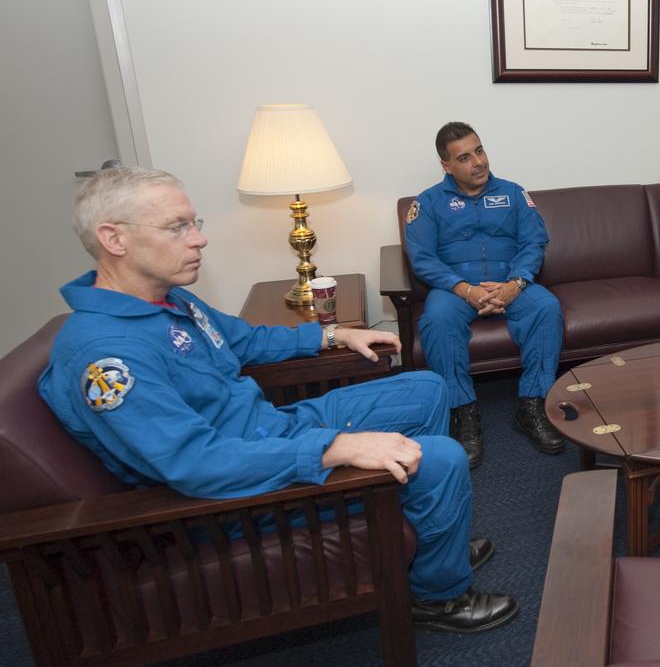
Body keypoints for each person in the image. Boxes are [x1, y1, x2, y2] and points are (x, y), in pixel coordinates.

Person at [38, 167, 518, 633]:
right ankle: (437, 595)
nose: (198, 238)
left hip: (273, 427)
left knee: (425, 388)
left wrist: (333, 334)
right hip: (242, 488)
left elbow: (245, 340)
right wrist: (335, 449)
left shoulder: (167, 301)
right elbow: (193, 463)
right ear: (114, 239)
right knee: (442, 459)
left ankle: (430, 537)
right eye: (176, 227)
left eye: (194, 223)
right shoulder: (106, 355)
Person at [404, 122, 564, 467]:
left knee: (547, 307)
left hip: (510, 283)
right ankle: (463, 413)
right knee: (437, 319)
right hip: (456, 289)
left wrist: (516, 284)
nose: (478, 162)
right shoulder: (428, 203)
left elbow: (534, 242)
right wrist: (466, 290)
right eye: (464, 157)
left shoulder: (513, 192)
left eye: (479, 150)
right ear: (446, 165)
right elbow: (422, 258)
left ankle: (532, 404)